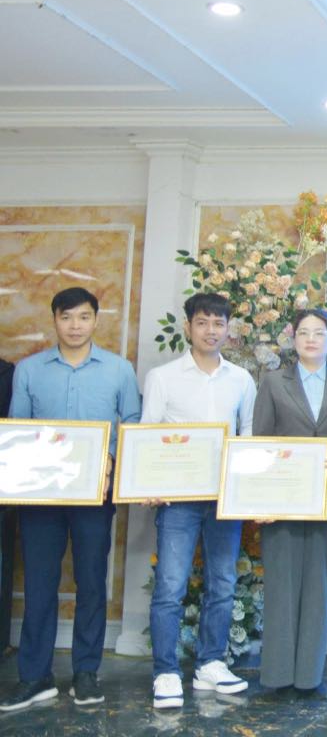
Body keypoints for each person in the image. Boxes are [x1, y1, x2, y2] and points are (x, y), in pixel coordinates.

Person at [0, 287, 141, 712]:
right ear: (54, 320)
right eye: (67, 317)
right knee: (40, 583)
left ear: (96, 320)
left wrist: (113, 460)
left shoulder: (119, 370)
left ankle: (85, 672)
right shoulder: (29, 370)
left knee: (92, 583)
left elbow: (132, 422)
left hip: (94, 494)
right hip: (41, 495)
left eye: (83, 317)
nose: (75, 326)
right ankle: (35, 676)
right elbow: (17, 429)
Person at [144, 293, 257, 709]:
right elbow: (148, 435)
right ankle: (166, 671)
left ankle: (210, 663)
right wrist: (148, 486)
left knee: (223, 583)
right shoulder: (163, 377)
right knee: (171, 586)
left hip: (224, 498)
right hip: (177, 500)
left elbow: (247, 439)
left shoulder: (242, 379)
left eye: (219, 323)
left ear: (229, 329)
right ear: (188, 327)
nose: (211, 330)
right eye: (203, 322)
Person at [252, 309, 327, 699]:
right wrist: (260, 498)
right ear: (292, 338)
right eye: (303, 332)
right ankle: (278, 674)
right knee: (281, 584)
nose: (311, 339)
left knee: (319, 585)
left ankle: (309, 675)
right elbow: (261, 439)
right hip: (282, 499)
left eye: (319, 333)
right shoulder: (273, 382)